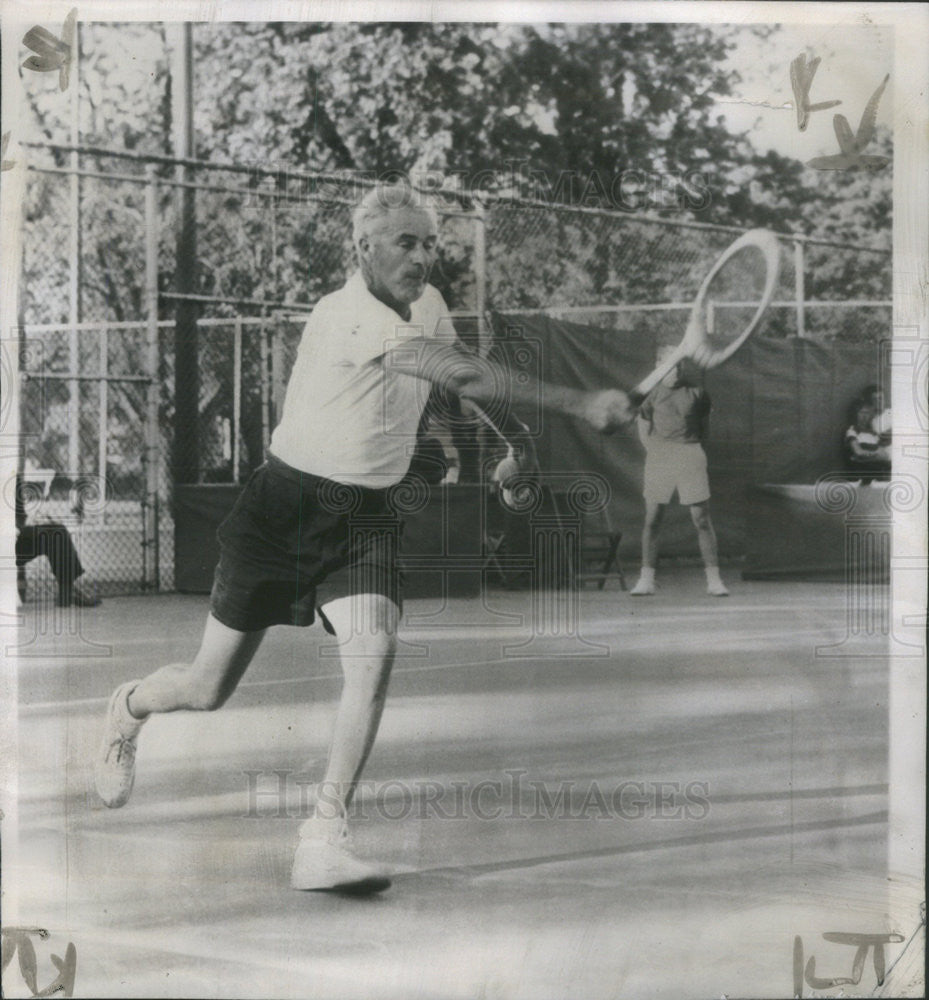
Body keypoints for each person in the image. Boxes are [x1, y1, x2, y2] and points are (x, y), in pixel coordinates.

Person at [93, 181, 633, 893]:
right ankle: (127, 709)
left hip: (364, 516)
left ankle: (322, 834)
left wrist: (520, 441)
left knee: (373, 654)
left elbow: (459, 385)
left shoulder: (428, 305)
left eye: (429, 243)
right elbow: (458, 369)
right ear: (363, 249)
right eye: (405, 242)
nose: (421, 257)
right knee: (205, 687)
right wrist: (580, 402)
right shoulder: (345, 317)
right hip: (282, 511)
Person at [629, 347, 728, 597]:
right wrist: (656, 451)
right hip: (659, 457)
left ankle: (714, 580)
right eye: (671, 365)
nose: (677, 370)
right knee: (653, 519)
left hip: (690, 454)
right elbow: (643, 428)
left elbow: (705, 430)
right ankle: (646, 580)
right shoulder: (650, 394)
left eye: (680, 365)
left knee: (701, 519)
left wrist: (692, 453)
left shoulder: (698, 393)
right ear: (659, 366)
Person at [15, 474, 102, 608]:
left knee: (57, 532)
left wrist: (21, 526)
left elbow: (19, 517)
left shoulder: (10, 475)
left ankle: (67, 591)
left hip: (11, 540)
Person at [844, 400, 891, 483]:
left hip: (878, 473)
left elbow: (884, 454)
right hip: (861, 474)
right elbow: (858, 452)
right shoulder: (852, 431)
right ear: (855, 414)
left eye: (867, 413)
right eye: (861, 413)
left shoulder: (873, 434)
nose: (864, 416)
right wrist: (875, 454)